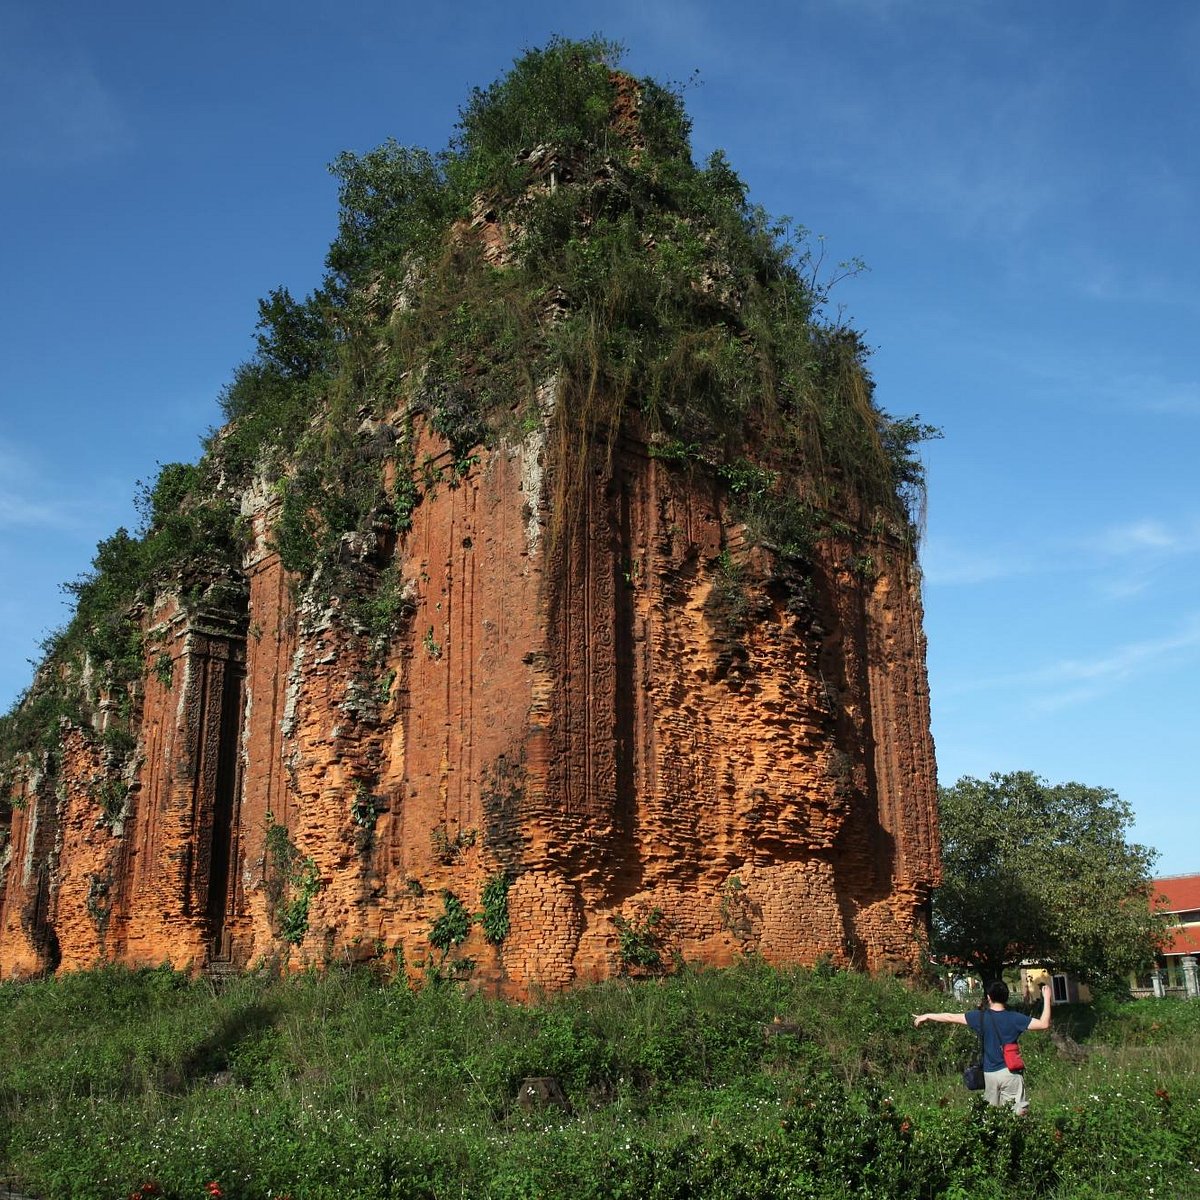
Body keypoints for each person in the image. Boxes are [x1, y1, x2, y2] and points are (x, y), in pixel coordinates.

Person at [913, 975, 1052, 1114]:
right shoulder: (1015, 1018)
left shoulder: (979, 1016)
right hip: (1010, 1072)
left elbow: (950, 1017)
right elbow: (1043, 1024)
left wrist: (927, 1016)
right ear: (1006, 997)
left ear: (989, 997)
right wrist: (1046, 998)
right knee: (1017, 1114)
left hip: (990, 1074)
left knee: (992, 1117)